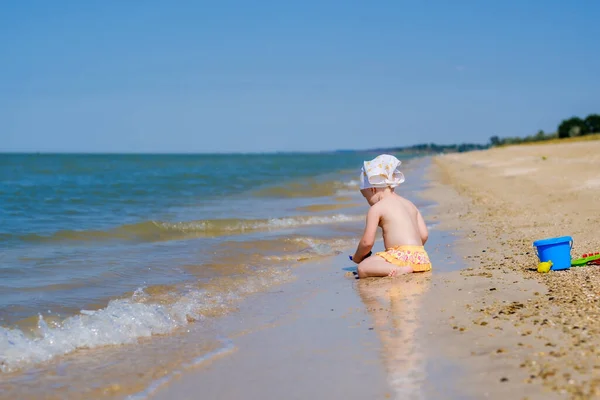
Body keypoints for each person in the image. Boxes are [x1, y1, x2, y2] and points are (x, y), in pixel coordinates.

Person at [351, 154, 431, 278]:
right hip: (422, 259)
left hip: (401, 256)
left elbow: (367, 243)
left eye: (365, 196)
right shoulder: (410, 204)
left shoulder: (376, 208)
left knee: (362, 268)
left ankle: (398, 269)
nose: (367, 200)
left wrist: (357, 257)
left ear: (372, 189)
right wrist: (413, 253)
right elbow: (424, 235)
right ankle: (404, 266)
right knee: (381, 259)